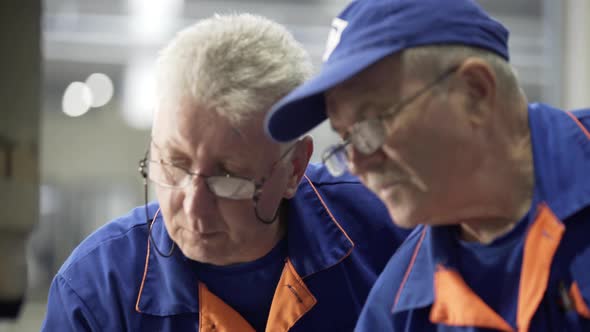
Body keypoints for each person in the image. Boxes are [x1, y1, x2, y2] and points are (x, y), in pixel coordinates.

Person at [41, 13, 410, 331]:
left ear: (294, 167)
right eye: (174, 163)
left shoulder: (390, 235)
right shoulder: (95, 292)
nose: (193, 207)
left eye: (228, 178)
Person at [264, 0, 590, 331]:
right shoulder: (401, 310)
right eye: (347, 139)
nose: (358, 164)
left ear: (474, 92)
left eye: (373, 125)